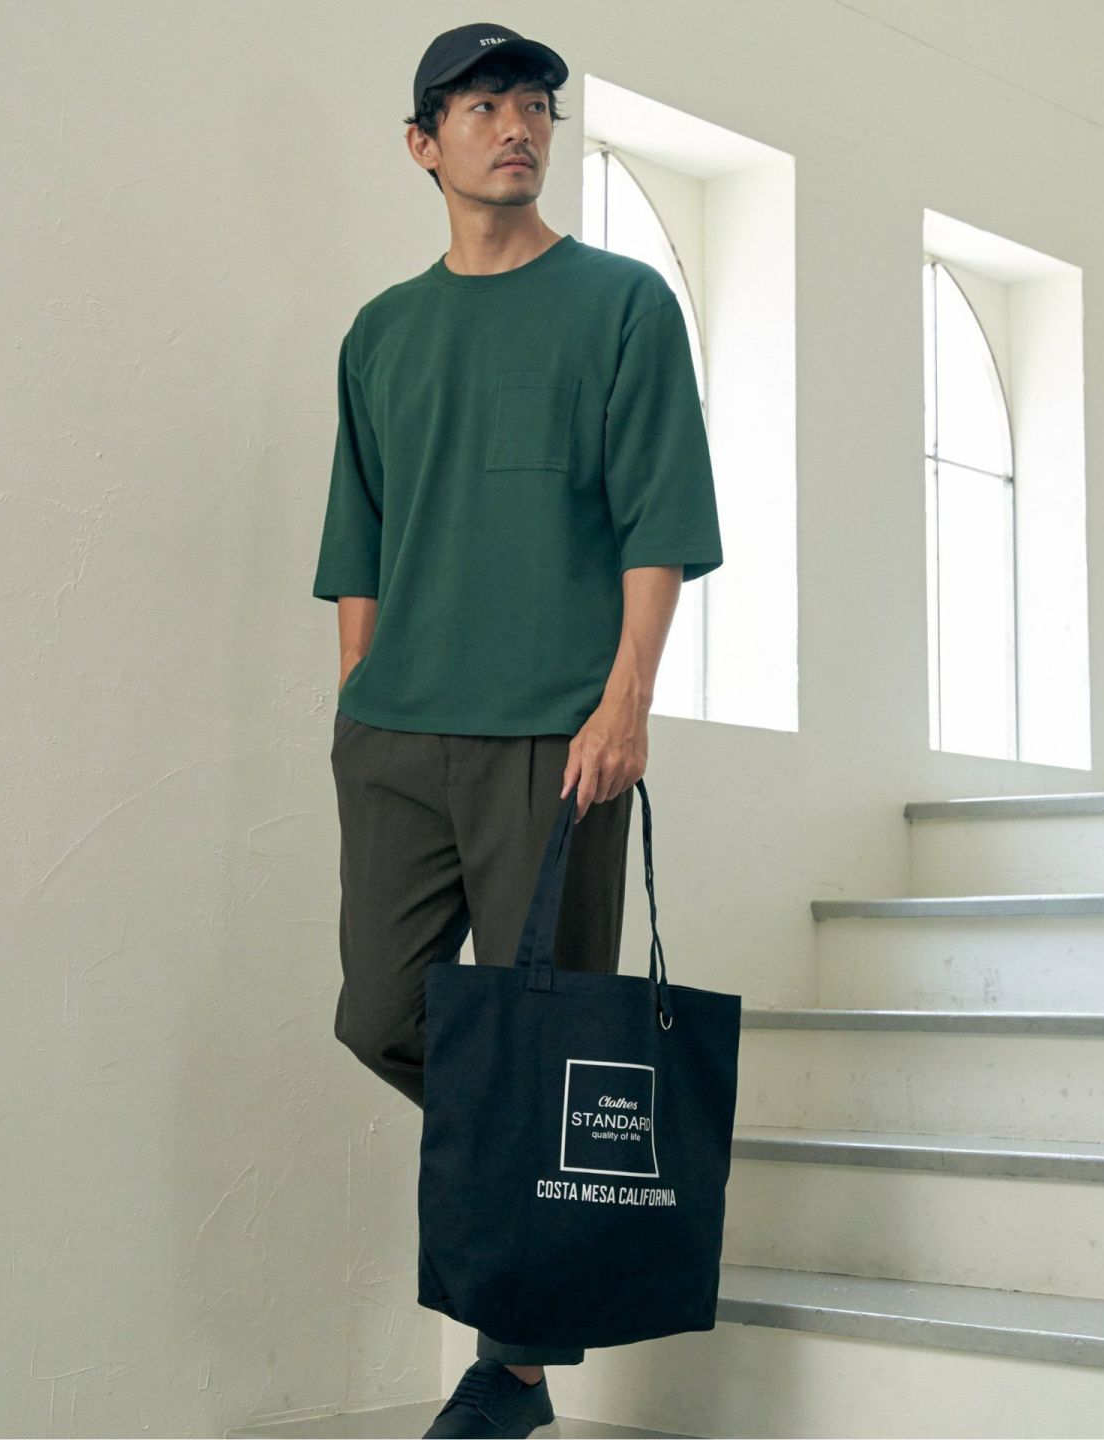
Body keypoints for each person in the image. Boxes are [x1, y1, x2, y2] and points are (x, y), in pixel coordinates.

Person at [313, 22, 723, 1439]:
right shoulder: (382, 331)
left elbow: (661, 521)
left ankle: (518, 1367)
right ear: (423, 144)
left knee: (547, 1034)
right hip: (396, 737)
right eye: (483, 104)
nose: (518, 125)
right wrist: (355, 694)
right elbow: (358, 534)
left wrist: (625, 704)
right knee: (381, 1014)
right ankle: (530, 1205)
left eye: (536, 103)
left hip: (558, 742)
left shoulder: (622, 305)